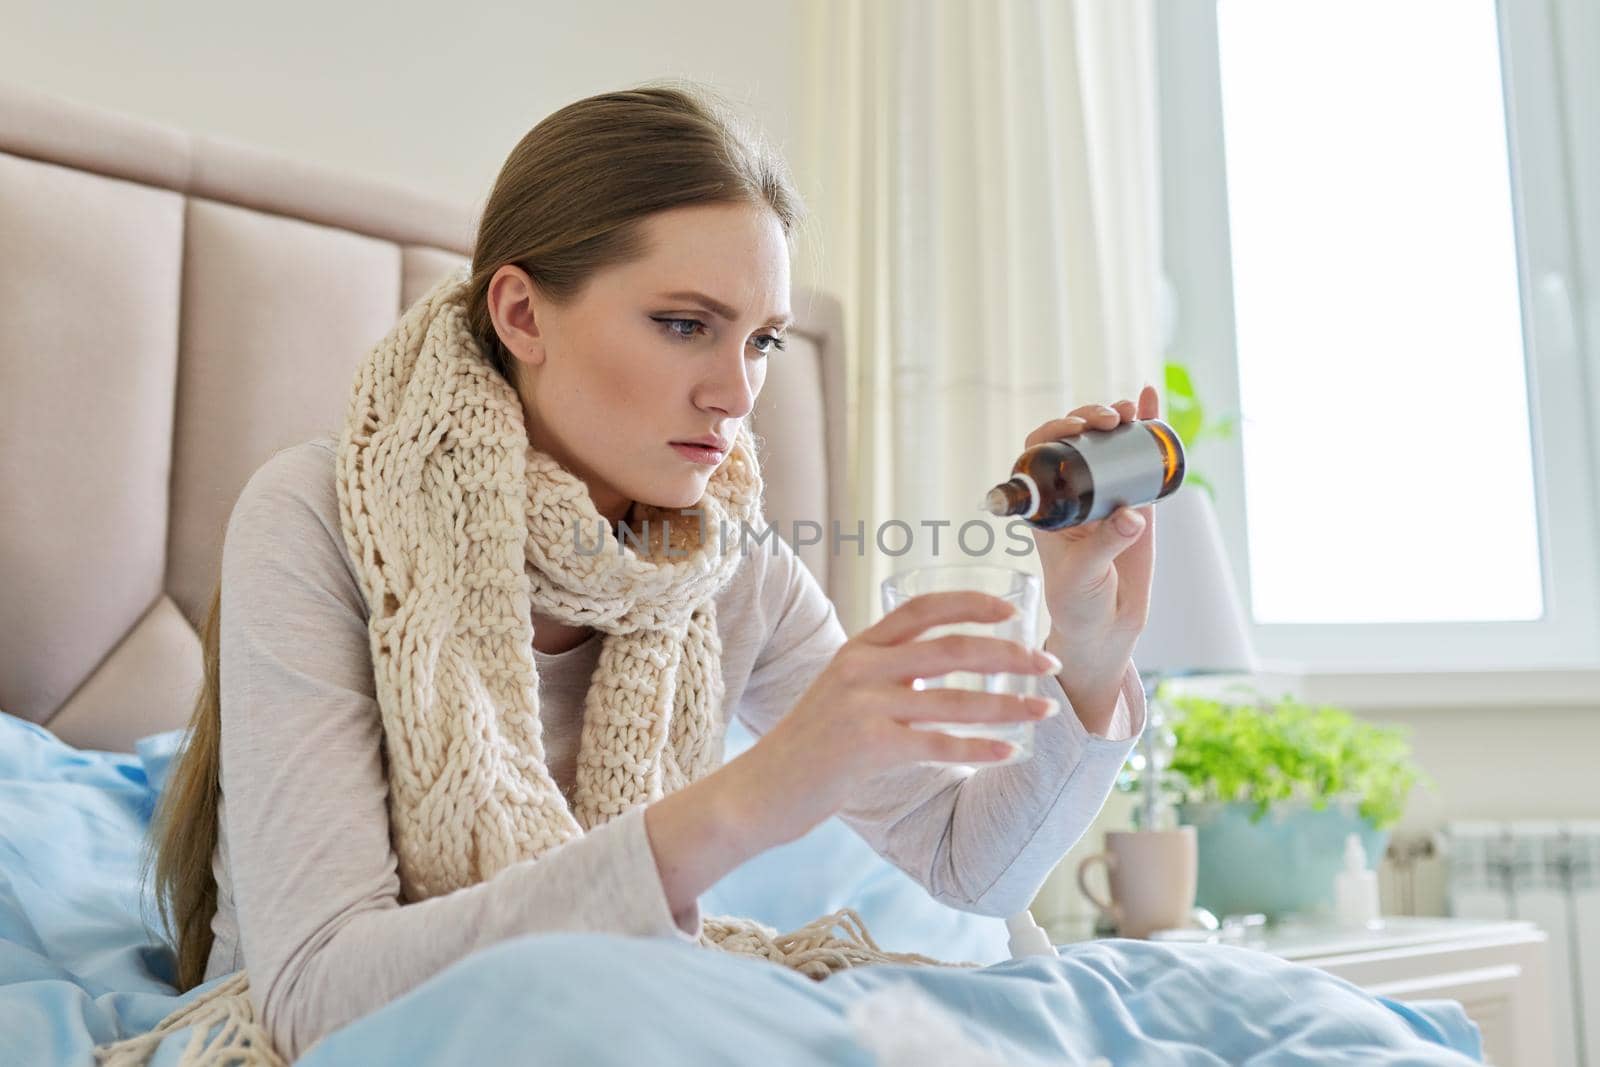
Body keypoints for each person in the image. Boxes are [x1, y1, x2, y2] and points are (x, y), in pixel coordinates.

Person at [101, 82, 1157, 1066]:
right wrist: (755, 794)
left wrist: (1090, 650)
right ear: (521, 315)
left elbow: (973, 870)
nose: (734, 393)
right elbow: (314, 994)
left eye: (763, 342)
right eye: (683, 324)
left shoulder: (735, 568)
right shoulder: (318, 515)